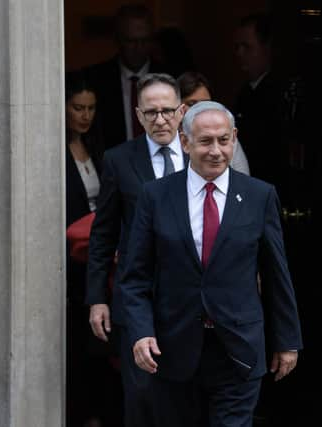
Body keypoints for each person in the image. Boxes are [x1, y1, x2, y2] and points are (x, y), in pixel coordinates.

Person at [120, 101, 303, 427]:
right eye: (205, 141)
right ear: (186, 142)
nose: (215, 150)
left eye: (223, 140)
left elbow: (276, 273)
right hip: (172, 349)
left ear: (234, 138)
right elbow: (135, 275)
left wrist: (287, 340)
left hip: (238, 349)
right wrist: (140, 332)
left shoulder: (259, 196)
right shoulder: (156, 196)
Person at [86, 73, 187, 427]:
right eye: (151, 112)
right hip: (136, 299)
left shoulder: (201, 154)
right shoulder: (118, 159)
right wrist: (97, 297)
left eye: (167, 111)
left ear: (182, 112)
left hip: (190, 302)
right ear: (138, 114)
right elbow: (103, 234)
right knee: (141, 397)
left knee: (185, 400)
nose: (160, 119)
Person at [64, 71, 122, 427]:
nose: (85, 115)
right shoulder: (53, 149)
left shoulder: (100, 147)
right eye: (77, 107)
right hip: (72, 259)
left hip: (99, 256)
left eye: (91, 108)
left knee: (102, 344)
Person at [84, 4, 164, 150]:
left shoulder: (168, 77)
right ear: (118, 40)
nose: (138, 48)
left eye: (144, 41)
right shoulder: (96, 79)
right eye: (131, 41)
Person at [232, 13, 286, 188]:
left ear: (266, 48)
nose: (239, 53)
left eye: (247, 47)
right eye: (237, 47)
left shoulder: (280, 93)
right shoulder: (245, 92)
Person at [177, 71, 250, 175]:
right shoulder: (168, 139)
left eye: (206, 103)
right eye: (192, 104)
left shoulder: (227, 137)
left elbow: (243, 180)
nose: (200, 109)